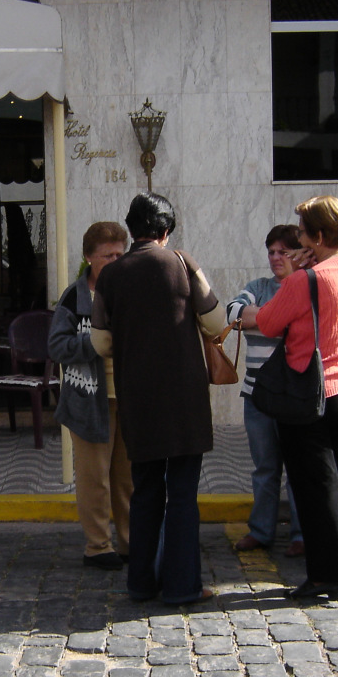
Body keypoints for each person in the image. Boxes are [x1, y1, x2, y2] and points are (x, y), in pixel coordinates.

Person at [90, 192, 224, 605]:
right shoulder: (183, 263)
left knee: (145, 490)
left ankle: (141, 584)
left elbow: (100, 343)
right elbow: (216, 320)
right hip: (185, 399)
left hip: (138, 397)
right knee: (182, 492)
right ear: (166, 231)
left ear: (132, 229)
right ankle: (182, 586)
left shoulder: (111, 276)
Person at [247, 196, 338, 602]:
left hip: (313, 395)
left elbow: (267, 321)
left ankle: (325, 577)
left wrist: (297, 273)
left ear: (317, 236)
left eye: (301, 231)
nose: (297, 237)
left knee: (314, 489)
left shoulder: (305, 279)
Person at [49, 221, 133, 570]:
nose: (115, 261)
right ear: (89, 257)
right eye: (107, 255)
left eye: (120, 254)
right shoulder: (75, 297)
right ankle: (98, 546)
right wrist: (94, 343)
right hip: (88, 400)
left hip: (128, 398)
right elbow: (56, 346)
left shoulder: (132, 291)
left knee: (127, 479)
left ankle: (131, 542)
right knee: (93, 478)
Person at [226, 224, 305, 558]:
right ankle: (261, 531)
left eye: (282, 252)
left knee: (299, 467)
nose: (275, 258)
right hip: (257, 395)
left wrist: (258, 318)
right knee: (264, 468)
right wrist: (274, 319)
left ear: (297, 254)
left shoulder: (304, 287)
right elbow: (232, 313)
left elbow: (300, 325)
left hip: (293, 394)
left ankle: (302, 534)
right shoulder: (258, 286)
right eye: (271, 251)